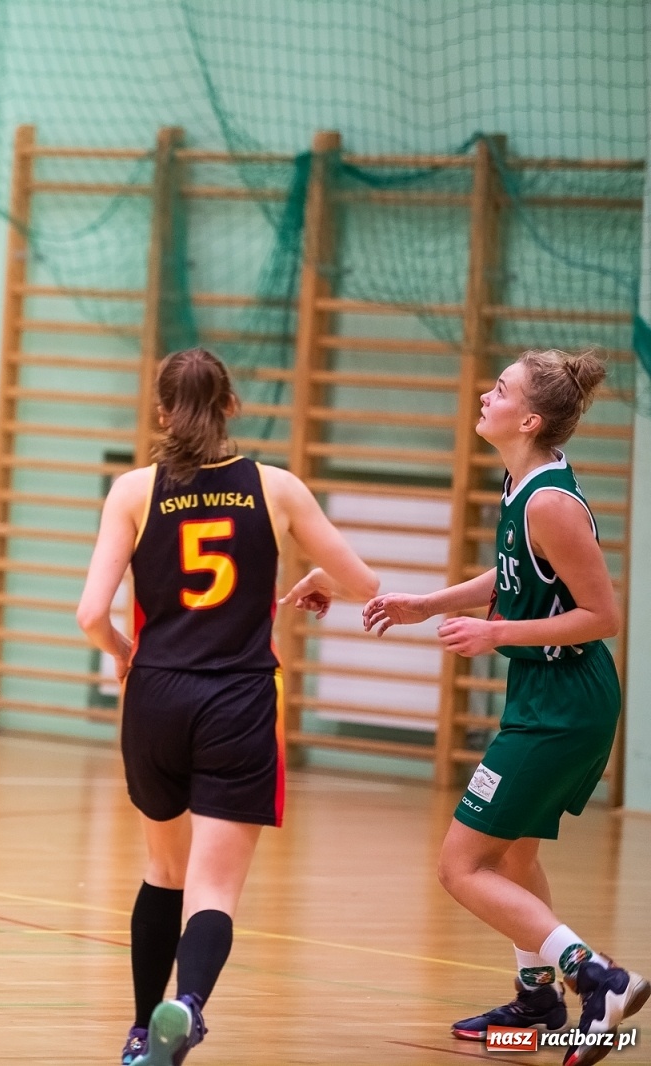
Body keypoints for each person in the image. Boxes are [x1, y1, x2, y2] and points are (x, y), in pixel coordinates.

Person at [76, 348, 378, 1065]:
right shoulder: (275, 489)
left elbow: (90, 612)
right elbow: (365, 584)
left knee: (162, 871)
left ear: (160, 413)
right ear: (231, 407)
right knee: (212, 886)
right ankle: (188, 1005)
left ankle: (142, 1031)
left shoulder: (133, 491)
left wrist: (123, 651)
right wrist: (310, 580)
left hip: (155, 696)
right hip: (237, 699)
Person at [362, 350, 645, 1065]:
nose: (485, 395)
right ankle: (540, 1002)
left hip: (564, 705)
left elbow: (602, 615)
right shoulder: (522, 487)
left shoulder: (550, 500)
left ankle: (599, 979)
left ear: (528, 418)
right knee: (515, 857)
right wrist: (428, 603)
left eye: (500, 388)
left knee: (461, 866)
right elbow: (516, 572)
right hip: (548, 698)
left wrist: (497, 633)